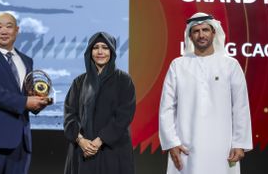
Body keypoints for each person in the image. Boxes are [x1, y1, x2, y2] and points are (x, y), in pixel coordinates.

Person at [159, 12, 253, 174]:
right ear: (190, 36)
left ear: (214, 32)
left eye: (205, 30)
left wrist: (239, 143)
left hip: (222, 147)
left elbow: (240, 107)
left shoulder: (230, 65)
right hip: (186, 147)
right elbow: (166, 108)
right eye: (196, 31)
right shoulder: (178, 65)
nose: (201, 35)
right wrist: (171, 142)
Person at [0, 12, 49, 174]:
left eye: (9, 26)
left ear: (17, 30)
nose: (4, 31)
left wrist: (39, 102)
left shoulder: (27, 60)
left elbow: (27, 93)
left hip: (21, 144)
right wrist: (25, 102)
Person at [63, 32, 136, 174]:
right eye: (95, 47)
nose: (100, 52)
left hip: (113, 151)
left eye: (105, 47)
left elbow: (124, 115)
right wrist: (81, 140)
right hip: (82, 150)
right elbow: (69, 114)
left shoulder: (124, 80)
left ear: (112, 51)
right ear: (90, 52)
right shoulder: (79, 82)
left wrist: (99, 141)